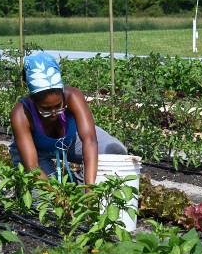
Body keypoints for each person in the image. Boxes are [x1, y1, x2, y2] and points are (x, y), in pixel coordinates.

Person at [9, 52, 127, 184]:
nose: (54, 113)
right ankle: (62, 192)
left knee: (114, 153)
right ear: (33, 100)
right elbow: (32, 166)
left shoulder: (73, 96)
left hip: (70, 140)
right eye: (46, 109)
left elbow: (89, 139)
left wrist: (90, 187)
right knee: (45, 202)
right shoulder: (21, 114)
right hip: (36, 153)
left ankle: (76, 187)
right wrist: (57, 196)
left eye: (58, 106)